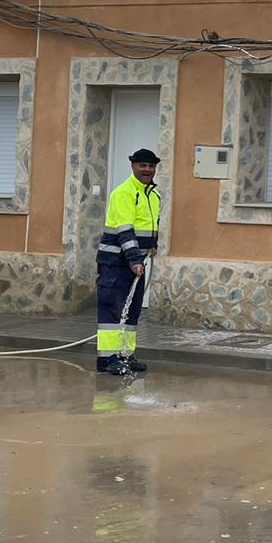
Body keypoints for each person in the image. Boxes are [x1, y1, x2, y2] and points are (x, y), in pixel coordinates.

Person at [96, 148, 161, 375]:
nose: (147, 170)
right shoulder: (124, 193)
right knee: (112, 310)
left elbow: (150, 224)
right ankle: (108, 359)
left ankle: (125, 355)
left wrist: (152, 245)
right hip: (115, 262)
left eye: (151, 166)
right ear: (133, 166)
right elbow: (125, 230)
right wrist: (134, 259)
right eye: (142, 165)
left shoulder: (153, 194)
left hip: (137, 261)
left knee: (131, 311)